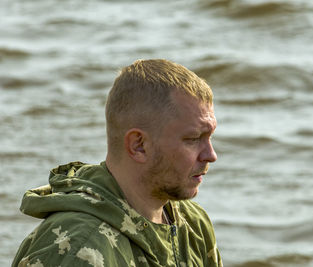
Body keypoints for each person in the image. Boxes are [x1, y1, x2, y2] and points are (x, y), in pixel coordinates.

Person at [12, 59, 223, 267]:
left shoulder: (193, 224)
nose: (210, 155)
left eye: (209, 136)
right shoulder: (79, 250)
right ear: (139, 145)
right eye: (193, 139)